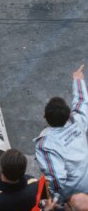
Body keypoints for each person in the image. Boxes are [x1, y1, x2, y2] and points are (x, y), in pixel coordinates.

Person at [34, 64, 88, 201]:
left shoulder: (45, 144)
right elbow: (82, 102)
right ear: (68, 114)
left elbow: (57, 179)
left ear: (45, 117)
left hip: (73, 193)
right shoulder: (78, 122)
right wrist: (78, 80)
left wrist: (54, 200)